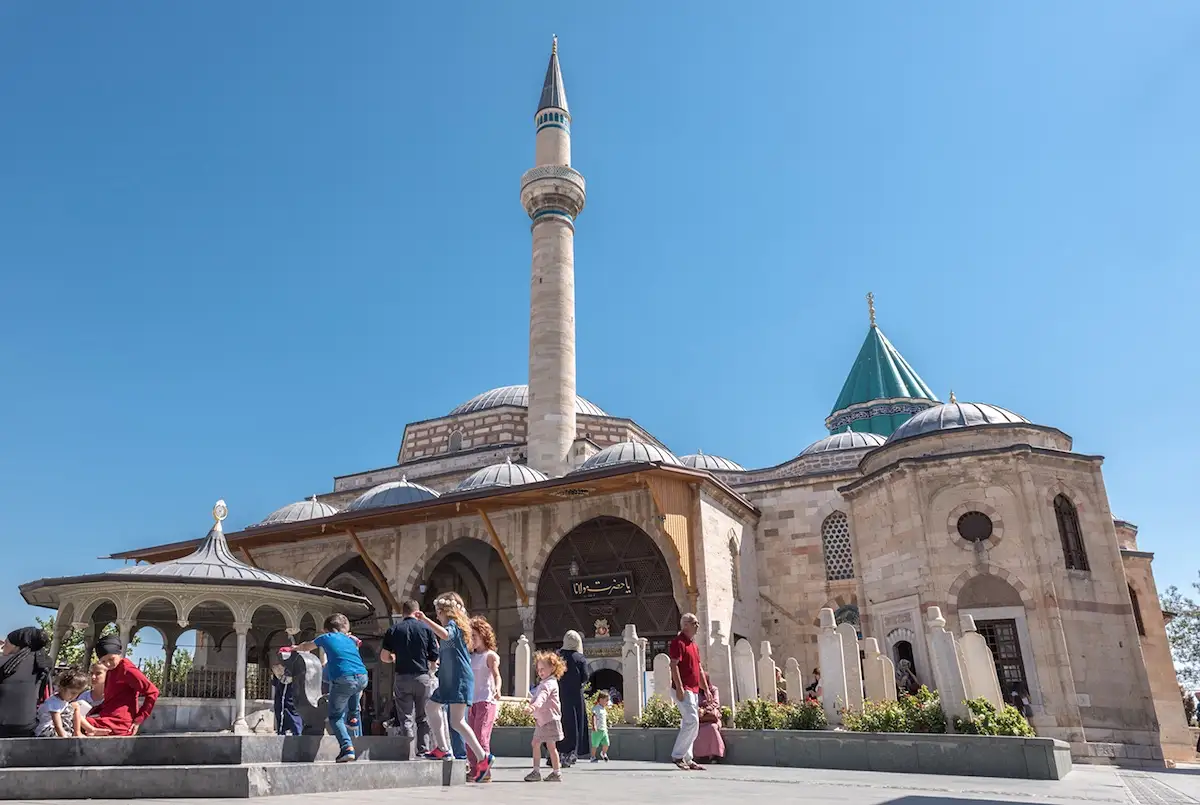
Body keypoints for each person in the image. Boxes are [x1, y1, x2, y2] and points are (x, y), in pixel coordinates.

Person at [416, 594, 492, 783]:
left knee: (457, 722)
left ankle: (483, 757)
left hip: (458, 680)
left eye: (438, 614)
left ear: (444, 613)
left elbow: (445, 634)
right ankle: (443, 749)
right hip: (449, 680)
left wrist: (424, 620)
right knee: (432, 708)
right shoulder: (457, 628)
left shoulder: (453, 626)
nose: (437, 617)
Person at [296, 614, 367, 763]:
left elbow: (307, 647)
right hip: (363, 677)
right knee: (354, 688)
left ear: (325, 629)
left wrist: (295, 648)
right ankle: (353, 717)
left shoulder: (326, 637)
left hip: (343, 679)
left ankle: (347, 748)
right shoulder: (350, 640)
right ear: (345, 629)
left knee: (335, 717)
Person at [380, 599, 441, 756]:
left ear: (403, 612)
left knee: (406, 718)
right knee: (423, 717)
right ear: (417, 611)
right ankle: (422, 751)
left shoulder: (394, 630)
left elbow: (384, 657)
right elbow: (435, 657)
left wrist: (394, 657)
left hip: (402, 677)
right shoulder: (426, 629)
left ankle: (407, 752)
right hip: (422, 677)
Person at [84, 636, 159, 736]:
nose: (108, 664)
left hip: (119, 723)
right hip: (107, 717)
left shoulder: (127, 670)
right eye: (103, 661)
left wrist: (138, 720)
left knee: (77, 723)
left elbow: (153, 692)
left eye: (111, 659)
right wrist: (92, 710)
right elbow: (112, 699)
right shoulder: (111, 670)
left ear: (119, 653)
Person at [668, 613, 706, 771]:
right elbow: (673, 665)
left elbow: (699, 668)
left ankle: (688, 758)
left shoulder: (694, 645)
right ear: (685, 625)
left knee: (688, 723)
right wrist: (680, 688)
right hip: (683, 689)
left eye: (697, 622)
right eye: (694, 622)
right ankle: (678, 755)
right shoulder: (678, 643)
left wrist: (706, 688)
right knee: (692, 721)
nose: (697, 625)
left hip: (694, 689)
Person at [0, 627, 52, 738]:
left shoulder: (4, 664)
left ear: (17, 646)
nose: (4, 646)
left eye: (7, 642)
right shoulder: (43, 665)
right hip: (27, 728)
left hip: (3, 727)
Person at [467, 616, 501, 782]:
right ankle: (474, 770)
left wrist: (497, 688)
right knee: (470, 738)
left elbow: (496, 674)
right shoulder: (470, 656)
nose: (472, 640)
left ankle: (485, 772)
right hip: (471, 702)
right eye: (470, 636)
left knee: (481, 737)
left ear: (483, 635)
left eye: (475, 636)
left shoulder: (490, 655)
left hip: (486, 701)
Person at [526, 651, 564, 782]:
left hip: (548, 720)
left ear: (552, 668)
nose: (540, 672)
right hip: (545, 719)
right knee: (548, 746)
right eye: (538, 669)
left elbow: (542, 698)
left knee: (541, 744)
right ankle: (555, 772)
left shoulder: (548, 684)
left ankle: (539, 771)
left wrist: (533, 706)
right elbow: (540, 698)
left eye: (542, 669)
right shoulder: (548, 682)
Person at [36, 669, 104, 738]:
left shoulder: (63, 700)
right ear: (62, 688)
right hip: (47, 731)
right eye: (73, 693)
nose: (74, 696)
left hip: (57, 728)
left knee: (76, 706)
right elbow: (57, 725)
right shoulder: (54, 703)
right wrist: (64, 739)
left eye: (77, 693)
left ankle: (82, 731)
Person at [555, 630, 588, 766]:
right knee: (574, 723)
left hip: (558, 694)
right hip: (575, 696)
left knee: (560, 722)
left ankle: (556, 754)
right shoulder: (580, 658)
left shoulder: (557, 656)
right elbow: (585, 677)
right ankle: (570, 754)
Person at [693, 671, 725, 764]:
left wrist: (705, 710)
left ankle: (715, 754)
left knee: (712, 728)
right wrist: (698, 709)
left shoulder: (713, 690)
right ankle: (701, 755)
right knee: (696, 729)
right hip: (699, 718)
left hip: (710, 717)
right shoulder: (695, 691)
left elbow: (716, 703)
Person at [270, 652, 303, 736]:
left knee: (294, 719)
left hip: (290, 699)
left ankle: (297, 738)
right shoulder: (281, 669)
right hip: (283, 699)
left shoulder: (294, 669)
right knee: (283, 719)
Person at [589, 690, 610, 762]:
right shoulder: (596, 708)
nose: (607, 702)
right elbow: (594, 716)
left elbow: (604, 718)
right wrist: (594, 725)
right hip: (597, 730)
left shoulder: (604, 709)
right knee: (595, 745)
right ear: (600, 700)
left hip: (604, 730)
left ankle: (603, 753)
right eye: (606, 700)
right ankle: (592, 757)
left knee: (607, 743)